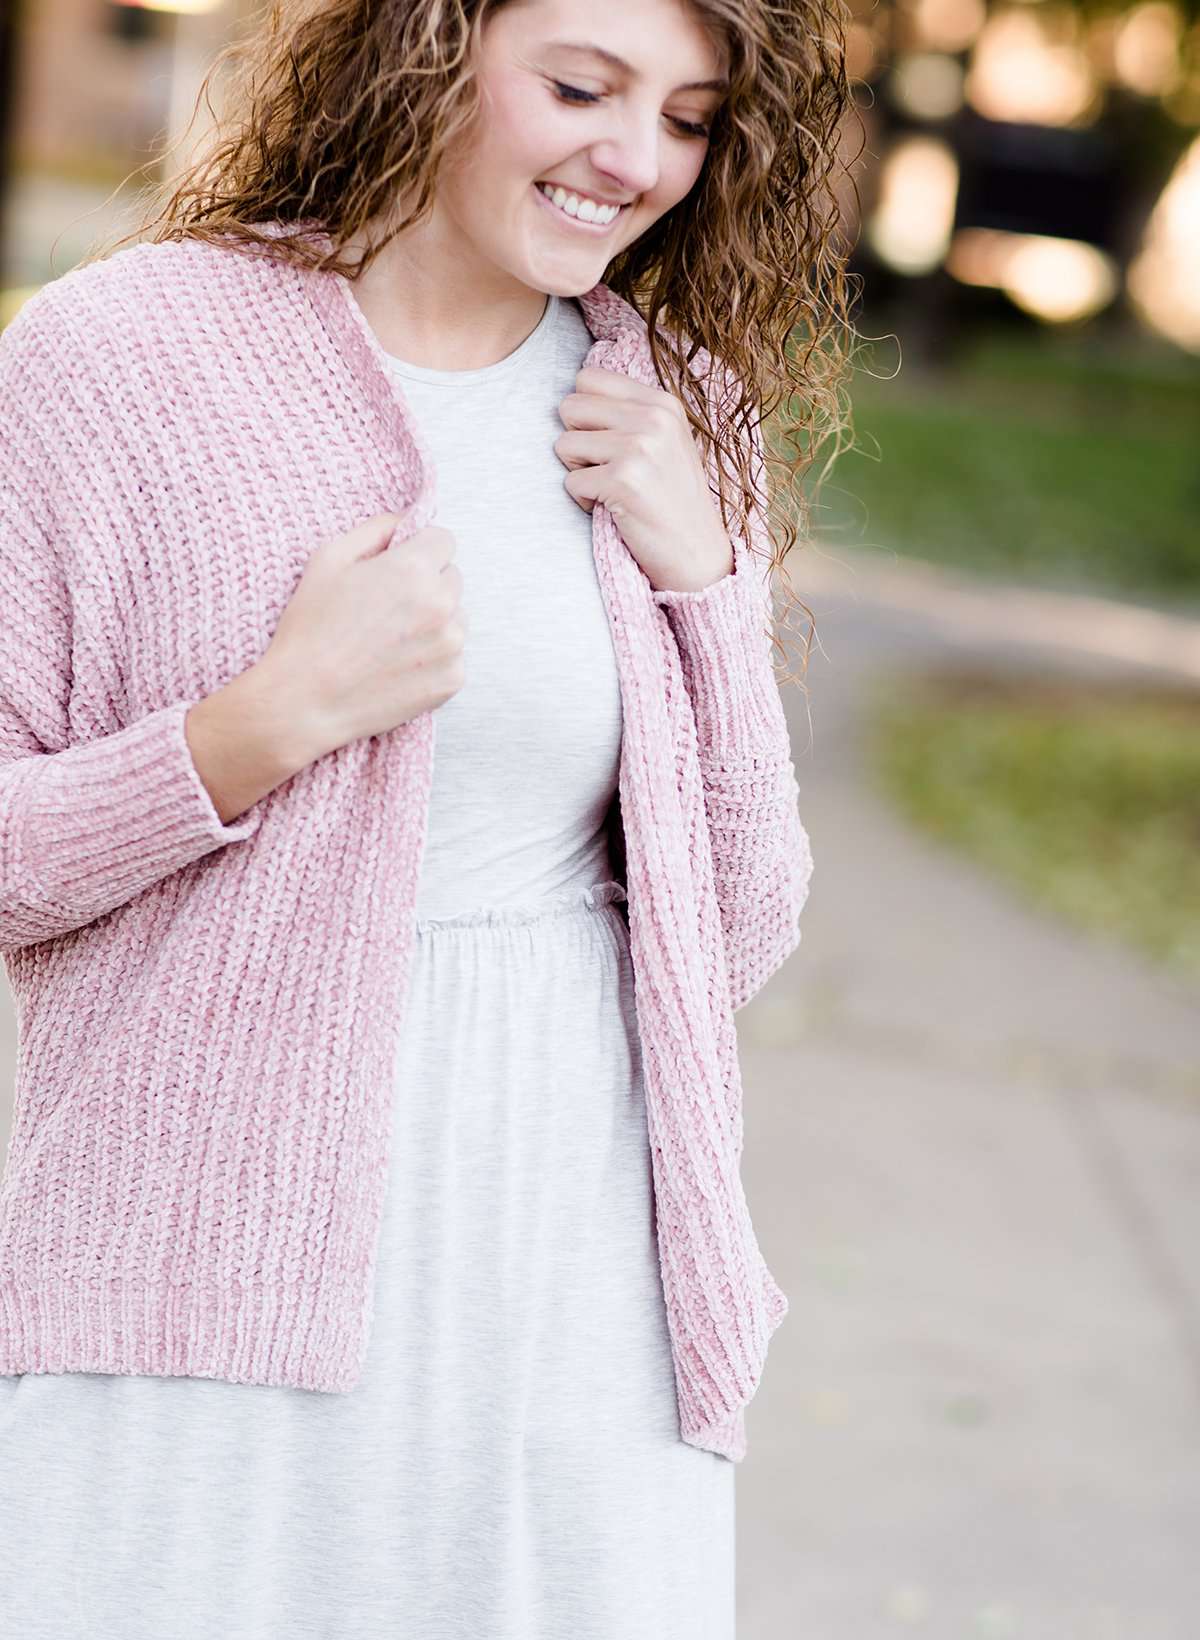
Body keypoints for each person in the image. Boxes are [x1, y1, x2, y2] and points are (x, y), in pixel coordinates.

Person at [0, 0, 854, 1633]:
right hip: (198, 1258)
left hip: (578, 1273)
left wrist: (712, 586)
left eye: (687, 116)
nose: (634, 157)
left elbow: (738, 924)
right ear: (427, 49)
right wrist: (259, 727)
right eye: (582, 86)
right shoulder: (118, 361)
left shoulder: (669, 411)